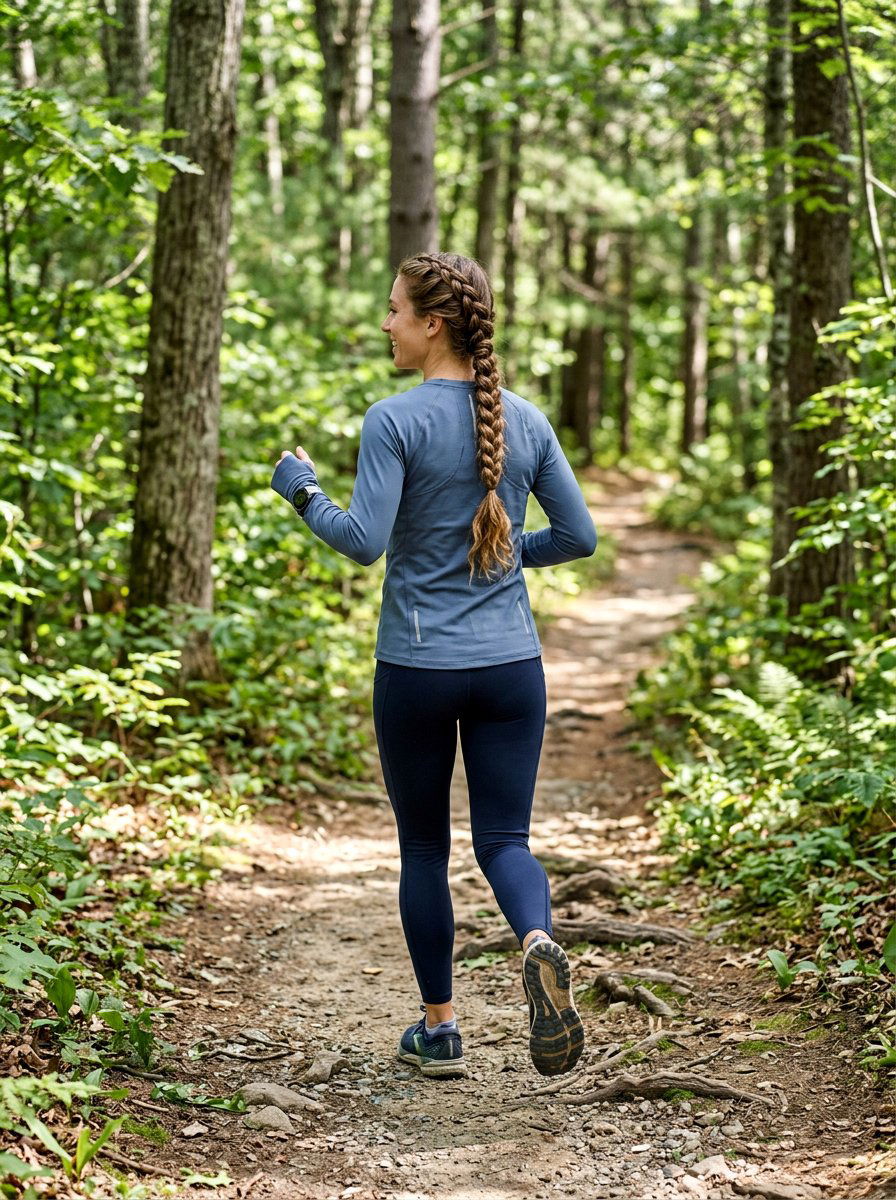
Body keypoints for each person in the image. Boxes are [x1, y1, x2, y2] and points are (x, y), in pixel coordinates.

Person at [271, 252, 597, 1080]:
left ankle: (441, 1030)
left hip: (417, 668)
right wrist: (502, 554)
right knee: (505, 840)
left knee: (424, 848)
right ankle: (537, 939)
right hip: (510, 668)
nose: (386, 324)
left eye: (394, 310)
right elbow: (578, 537)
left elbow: (363, 542)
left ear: (432, 322)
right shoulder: (525, 419)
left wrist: (302, 490)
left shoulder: (394, 420)